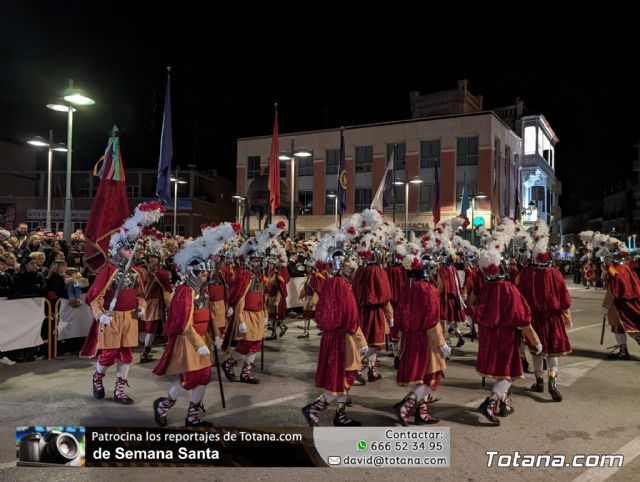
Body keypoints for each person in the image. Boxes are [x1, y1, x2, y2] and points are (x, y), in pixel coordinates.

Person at [153, 223, 238, 427]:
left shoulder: (204, 290)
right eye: (201, 273)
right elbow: (185, 322)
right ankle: (163, 405)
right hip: (188, 340)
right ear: (192, 272)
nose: (205, 275)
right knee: (191, 378)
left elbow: (207, 316)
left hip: (203, 339)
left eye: (206, 273)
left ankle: (193, 416)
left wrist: (215, 336)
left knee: (204, 377)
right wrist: (198, 342)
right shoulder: (185, 291)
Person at [80, 201, 165, 404]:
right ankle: (98, 378)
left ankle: (119, 390)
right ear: (118, 250)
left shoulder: (136, 271)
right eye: (127, 249)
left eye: (131, 249)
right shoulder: (108, 270)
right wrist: (101, 315)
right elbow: (95, 297)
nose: (131, 252)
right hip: (112, 317)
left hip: (130, 318)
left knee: (126, 354)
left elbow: (140, 295)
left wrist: (142, 308)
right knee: (109, 354)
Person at [474, 223, 542, 425]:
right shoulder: (508, 288)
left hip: (488, 337)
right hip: (505, 338)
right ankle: (492, 401)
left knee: (499, 372)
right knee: (508, 373)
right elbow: (522, 318)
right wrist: (535, 341)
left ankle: (505, 403)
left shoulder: (487, 288)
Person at [302, 245, 365, 427]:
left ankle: (340, 414)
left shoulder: (335, 282)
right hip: (343, 337)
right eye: (346, 264)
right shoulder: (340, 284)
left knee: (344, 376)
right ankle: (315, 408)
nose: (350, 267)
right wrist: (360, 338)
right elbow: (349, 314)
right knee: (345, 376)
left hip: (339, 336)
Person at [517, 220, 572, 402]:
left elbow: (521, 297)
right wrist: (566, 315)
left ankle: (539, 381)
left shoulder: (526, 274)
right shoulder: (555, 273)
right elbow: (564, 296)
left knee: (537, 350)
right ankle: (552, 383)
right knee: (553, 351)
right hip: (554, 317)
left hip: (534, 318)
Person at [394, 252, 450, 425]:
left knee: (419, 377)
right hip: (426, 340)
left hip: (410, 337)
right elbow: (432, 320)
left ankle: (422, 412)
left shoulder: (408, 286)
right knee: (432, 376)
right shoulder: (428, 289)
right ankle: (407, 405)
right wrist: (442, 343)